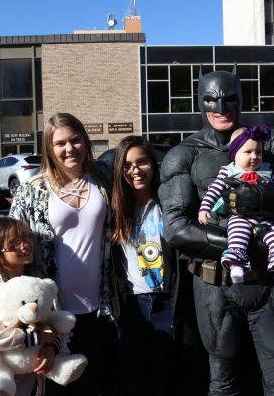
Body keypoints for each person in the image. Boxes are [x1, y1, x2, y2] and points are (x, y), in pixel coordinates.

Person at [158, 65, 274, 395]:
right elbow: (175, 229)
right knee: (223, 380)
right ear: (200, 102)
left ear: (242, 99)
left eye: (229, 99)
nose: (221, 108)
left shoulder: (269, 143)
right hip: (216, 284)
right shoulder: (184, 155)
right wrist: (238, 245)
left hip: (268, 281)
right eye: (211, 100)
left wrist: (262, 195)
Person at [0, 113, 114, 396]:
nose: (69, 148)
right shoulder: (33, 190)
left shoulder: (103, 180)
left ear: (85, 142)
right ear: (49, 148)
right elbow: (7, 235)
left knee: (94, 384)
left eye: (75, 140)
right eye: (60, 143)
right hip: (50, 311)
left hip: (100, 308)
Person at [109, 135, 177, 396]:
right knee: (132, 380)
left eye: (142, 162)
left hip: (166, 303)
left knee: (163, 380)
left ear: (153, 164)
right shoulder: (114, 209)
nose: (135, 170)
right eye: (127, 165)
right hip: (132, 305)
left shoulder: (168, 202)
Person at [198, 124, 274, 283]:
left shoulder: (268, 170)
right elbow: (214, 190)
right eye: (248, 152)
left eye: (258, 152)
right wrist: (205, 208)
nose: (254, 156)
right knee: (237, 236)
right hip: (240, 216)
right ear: (234, 154)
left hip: (265, 216)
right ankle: (236, 267)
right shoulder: (228, 171)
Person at [0, 217, 57, 396]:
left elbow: (50, 321)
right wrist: (38, 337)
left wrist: (51, 347)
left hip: (31, 377)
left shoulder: (35, 280)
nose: (25, 245)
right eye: (14, 244)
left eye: (27, 237)